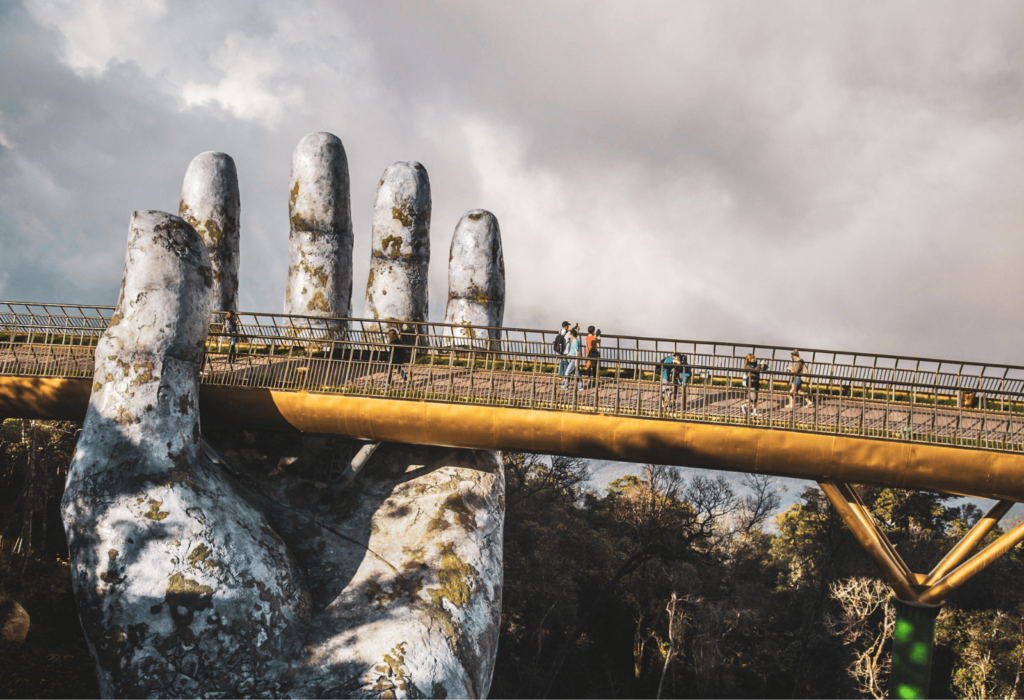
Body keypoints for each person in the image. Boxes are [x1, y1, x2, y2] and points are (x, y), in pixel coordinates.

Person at [742, 353, 764, 417]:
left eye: (754, 358)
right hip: (751, 383)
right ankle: (744, 405)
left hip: (756, 382)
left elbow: (760, 371)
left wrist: (764, 366)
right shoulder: (748, 366)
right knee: (752, 398)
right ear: (749, 360)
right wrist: (760, 364)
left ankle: (754, 411)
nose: (754, 359)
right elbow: (755, 371)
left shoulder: (755, 365)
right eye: (752, 358)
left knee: (755, 398)